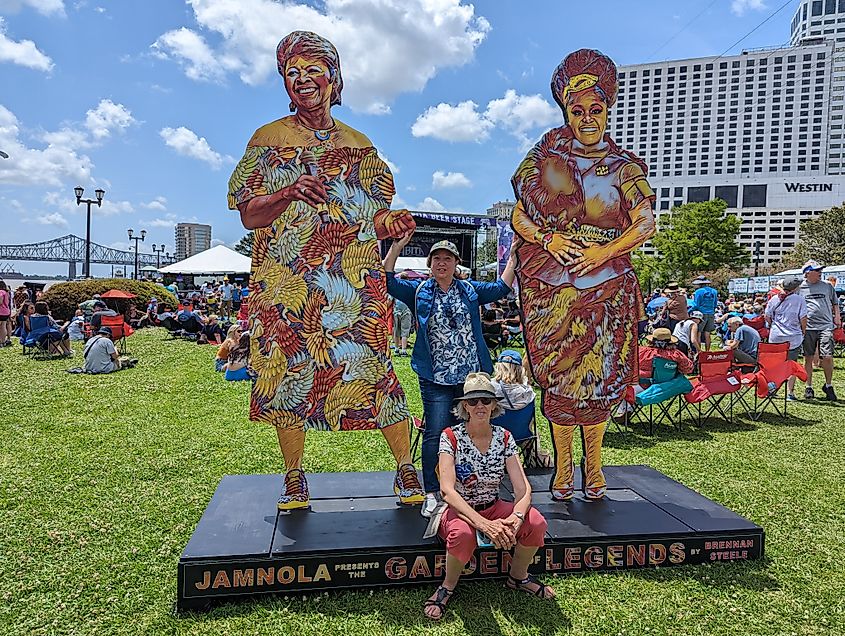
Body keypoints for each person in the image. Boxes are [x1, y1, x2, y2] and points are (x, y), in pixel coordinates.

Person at [228, 30, 422, 510]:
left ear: (335, 79)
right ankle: (294, 477)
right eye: (292, 73)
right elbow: (249, 213)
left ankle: (404, 468)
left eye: (312, 70)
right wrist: (288, 191)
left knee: (375, 374)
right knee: (287, 376)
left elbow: (369, 216)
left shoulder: (360, 145)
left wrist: (391, 223)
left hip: (351, 285)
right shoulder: (268, 140)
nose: (302, 80)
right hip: (288, 284)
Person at [510, 49, 656, 502]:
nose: (587, 118)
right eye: (578, 110)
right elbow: (519, 213)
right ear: (566, 112)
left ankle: (593, 471)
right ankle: (562, 469)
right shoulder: (545, 159)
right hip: (549, 292)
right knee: (556, 380)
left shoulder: (624, 167)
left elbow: (645, 221)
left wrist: (604, 252)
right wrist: (548, 240)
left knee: (596, 381)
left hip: (605, 290)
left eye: (596, 110)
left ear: (609, 109)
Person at [384, 236, 516, 517]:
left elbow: (501, 287)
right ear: (430, 264)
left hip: (469, 379)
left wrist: (514, 254)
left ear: (456, 264)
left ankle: (464, 489)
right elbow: (388, 281)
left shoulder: (469, 290)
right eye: (437, 259)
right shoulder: (419, 290)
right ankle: (433, 491)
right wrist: (395, 248)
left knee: (470, 432)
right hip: (435, 376)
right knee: (436, 433)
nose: (442, 263)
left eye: (448, 259)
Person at [424, 372, 553, 621]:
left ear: (494, 404)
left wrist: (516, 517)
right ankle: (447, 586)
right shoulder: (450, 437)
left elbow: (523, 488)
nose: (479, 406)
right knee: (462, 533)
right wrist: (484, 525)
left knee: (535, 522)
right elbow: (447, 491)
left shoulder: (504, 437)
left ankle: (518, 577)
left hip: (493, 505)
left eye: (485, 400)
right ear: (464, 406)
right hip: (459, 509)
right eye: (473, 401)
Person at [799, 260, 841, 401]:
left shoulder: (827, 286)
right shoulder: (800, 288)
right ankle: (808, 387)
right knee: (808, 357)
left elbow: (835, 303)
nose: (820, 272)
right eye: (817, 270)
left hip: (825, 326)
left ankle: (828, 385)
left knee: (827, 356)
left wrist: (837, 317)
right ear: (807, 273)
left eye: (820, 270)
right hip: (808, 327)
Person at [765, 276, 808, 401]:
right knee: (791, 365)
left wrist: (773, 325)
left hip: (776, 337)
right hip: (793, 337)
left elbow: (767, 316)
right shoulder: (799, 299)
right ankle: (790, 393)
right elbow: (803, 318)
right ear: (795, 288)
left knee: (774, 365)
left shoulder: (774, 298)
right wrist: (803, 331)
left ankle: (771, 388)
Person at [691, 276, 718, 351]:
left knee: (698, 333)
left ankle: (699, 352)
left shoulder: (698, 292)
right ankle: (707, 351)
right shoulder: (714, 291)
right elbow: (715, 304)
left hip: (701, 314)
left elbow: (696, 304)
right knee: (707, 334)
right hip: (711, 313)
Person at [0, 280, 11, 347]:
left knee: (1, 327)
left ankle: (0, 341)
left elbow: (0, 301)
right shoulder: (7, 292)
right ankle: (3, 341)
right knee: (3, 326)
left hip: (0, 311)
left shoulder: (0, 292)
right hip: (6, 311)